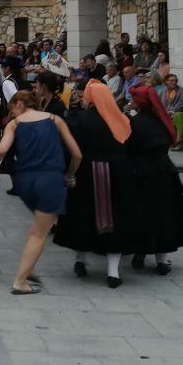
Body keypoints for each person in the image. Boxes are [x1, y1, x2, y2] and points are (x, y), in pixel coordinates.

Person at [0, 90, 82, 294]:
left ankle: (29, 268)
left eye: (12, 108)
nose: (12, 113)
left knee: (37, 226)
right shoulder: (55, 119)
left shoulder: (14, 124)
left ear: (19, 104)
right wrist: (69, 175)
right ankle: (20, 281)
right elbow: (77, 154)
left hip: (24, 181)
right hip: (49, 180)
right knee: (39, 233)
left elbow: (0, 150)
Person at [54, 80, 136, 288]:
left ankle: (80, 260)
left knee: (83, 216)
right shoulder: (121, 118)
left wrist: (69, 173)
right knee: (116, 218)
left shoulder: (79, 119)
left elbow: (73, 150)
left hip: (87, 173)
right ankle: (113, 271)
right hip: (118, 174)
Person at [126, 85, 183, 274]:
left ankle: (140, 252)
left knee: (141, 214)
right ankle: (162, 261)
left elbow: (128, 148)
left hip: (140, 173)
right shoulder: (163, 121)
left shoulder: (133, 122)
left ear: (138, 103)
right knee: (164, 215)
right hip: (165, 173)